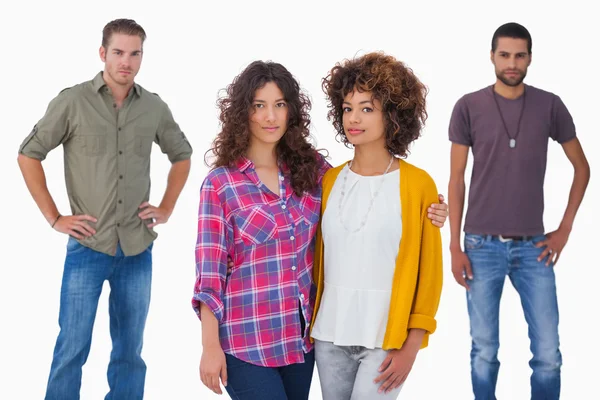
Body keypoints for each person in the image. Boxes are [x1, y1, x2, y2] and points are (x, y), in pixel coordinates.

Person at [193, 60, 448, 399]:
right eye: (259, 106)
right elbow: (209, 275)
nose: (271, 116)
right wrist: (210, 347)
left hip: (299, 345)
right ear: (243, 113)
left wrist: (431, 210)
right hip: (247, 342)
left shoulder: (312, 173)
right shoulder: (221, 184)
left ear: (291, 111)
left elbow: (368, 188)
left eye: (280, 104)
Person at [17, 19, 193, 400]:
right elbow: (29, 154)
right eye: (118, 52)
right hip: (87, 247)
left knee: (130, 352)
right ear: (102, 53)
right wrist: (54, 217)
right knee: (72, 349)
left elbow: (182, 155)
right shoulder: (72, 101)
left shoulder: (153, 107)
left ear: (142, 56)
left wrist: (166, 207)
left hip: (137, 248)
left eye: (135, 53)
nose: (126, 62)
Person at [447, 22, 590, 400]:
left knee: (547, 354)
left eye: (520, 55)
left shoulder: (549, 105)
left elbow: (583, 167)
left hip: (534, 248)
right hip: (480, 246)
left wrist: (565, 229)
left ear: (530, 58)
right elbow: (456, 179)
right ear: (492, 56)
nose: (512, 63)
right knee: (484, 352)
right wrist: (455, 246)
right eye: (505, 54)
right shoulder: (468, 106)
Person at [309, 52, 443, 399]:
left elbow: (429, 275)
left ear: (393, 115)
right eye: (347, 108)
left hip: (387, 340)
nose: (353, 118)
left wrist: (412, 346)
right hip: (330, 334)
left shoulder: (418, 185)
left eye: (367, 108)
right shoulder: (328, 180)